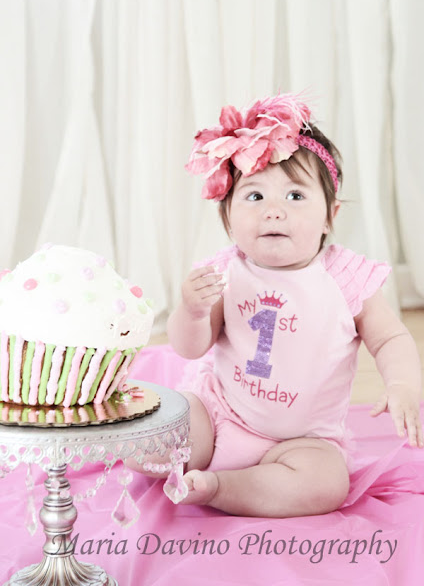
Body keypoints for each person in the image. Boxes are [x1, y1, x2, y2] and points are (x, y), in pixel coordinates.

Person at [140, 93, 423, 518]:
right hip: (218, 416)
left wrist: (402, 384)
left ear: (329, 215)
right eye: (255, 197)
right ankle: (191, 458)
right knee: (147, 444)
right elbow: (190, 347)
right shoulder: (225, 272)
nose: (273, 211)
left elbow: (389, 339)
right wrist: (192, 311)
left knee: (326, 484)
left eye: (295, 196)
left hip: (303, 440)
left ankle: (222, 487)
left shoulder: (345, 277)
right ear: (228, 217)